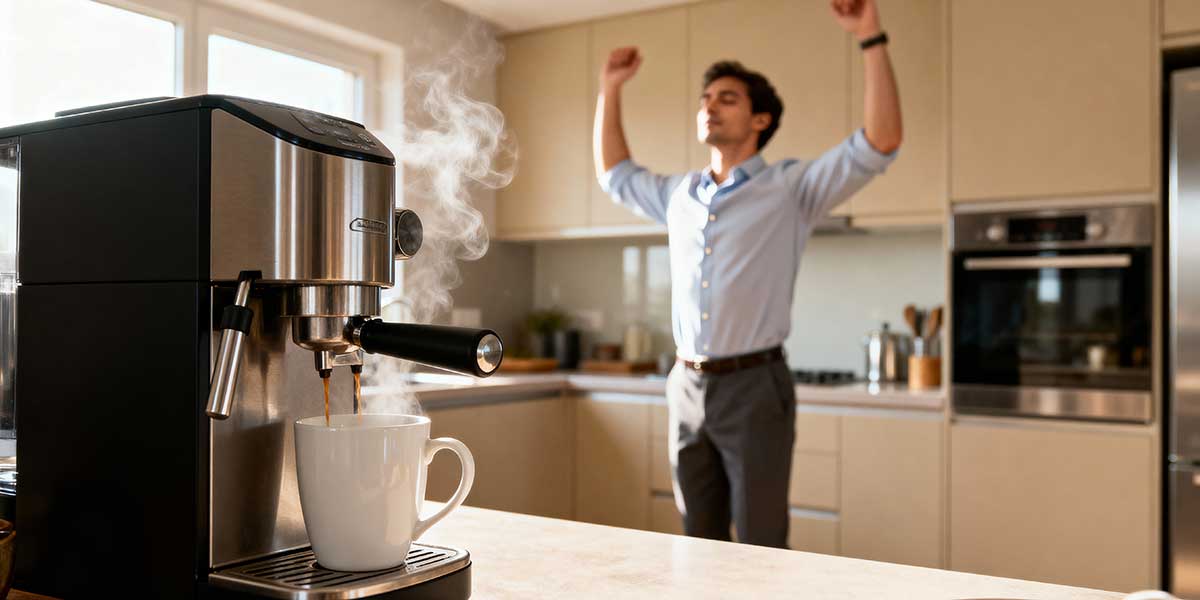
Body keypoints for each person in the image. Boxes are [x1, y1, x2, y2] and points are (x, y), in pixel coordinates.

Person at [592, 0, 902, 547]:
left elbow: (879, 142)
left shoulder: (790, 188)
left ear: (760, 119)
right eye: (706, 99)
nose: (711, 106)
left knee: (760, 543)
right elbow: (615, 173)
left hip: (754, 386)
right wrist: (609, 89)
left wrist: (870, 37)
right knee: (697, 539)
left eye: (727, 98)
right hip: (685, 386)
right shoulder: (677, 195)